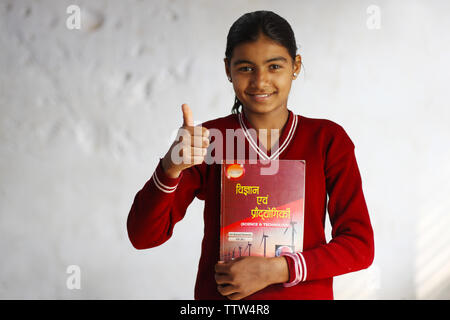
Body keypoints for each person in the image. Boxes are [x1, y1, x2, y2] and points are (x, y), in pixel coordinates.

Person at [127, 10, 374, 300]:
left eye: (274, 66)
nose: (260, 81)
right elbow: (143, 237)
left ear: (296, 66)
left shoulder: (327, 140)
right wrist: (169, 168)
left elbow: (359, 246)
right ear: (227, 69)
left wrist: (278, 270)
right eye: (245, 68)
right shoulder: (209, 141)